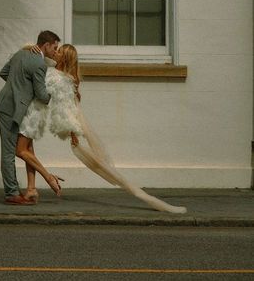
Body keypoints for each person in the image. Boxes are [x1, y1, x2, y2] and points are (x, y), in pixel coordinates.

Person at [19, 43, 187, 215]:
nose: (56, 52)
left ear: (65, 58)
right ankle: (31, 189)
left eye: (60, 51)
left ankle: (46, 180)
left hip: (32, 116)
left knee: (23, 150)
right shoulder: (58, 73)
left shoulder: (59, 77)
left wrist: (72, 133)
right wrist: (30, 47)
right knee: (28, 150)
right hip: (32, 114)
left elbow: (65, 108)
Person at [0, 30, 60, 205]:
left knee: (13, 150)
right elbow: (41, 94)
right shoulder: (38, 64)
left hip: (5, 104)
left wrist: (18, 87)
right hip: (11, 109)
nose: (55, 51)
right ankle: (11, 194)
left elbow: (3, 73)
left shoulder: (20, 53)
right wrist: (52, 95)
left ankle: (19, 191)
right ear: (46, 45)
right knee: (9, 152)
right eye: (54, 47)